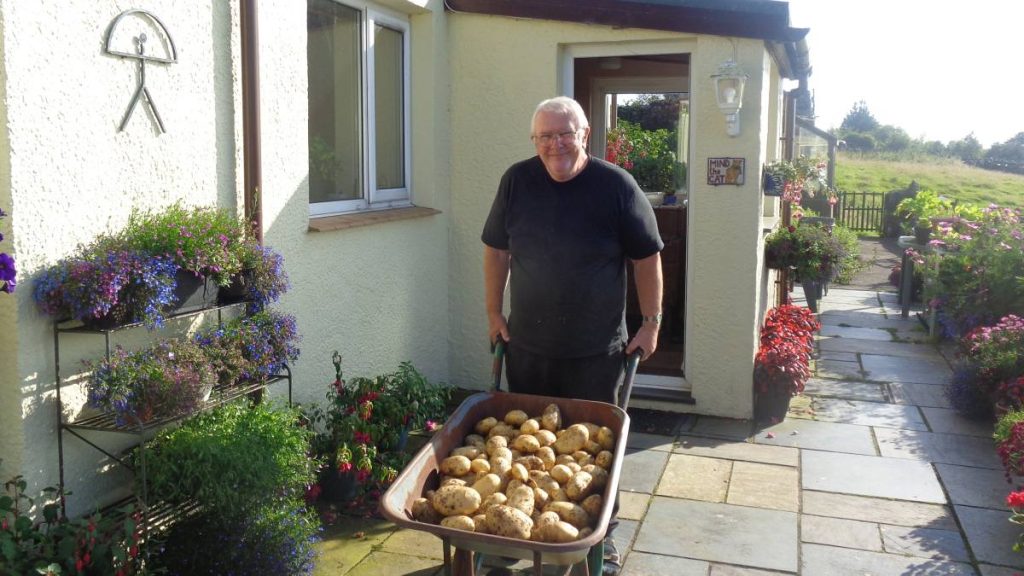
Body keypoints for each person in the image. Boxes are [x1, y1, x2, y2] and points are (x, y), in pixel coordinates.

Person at [481, 96, 664, 575]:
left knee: (599, 455)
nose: (556, 144)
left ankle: (603, 537)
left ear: (585, 134)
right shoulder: (517, 181)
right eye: (546, 136)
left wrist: (651, 322)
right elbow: (496, 250)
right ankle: (521, 530)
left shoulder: (615, 186)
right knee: (524, 448)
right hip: (528, 348)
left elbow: (647, 257)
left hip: (596, 352)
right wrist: (493, 312)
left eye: (565, 134)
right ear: (534, 141)